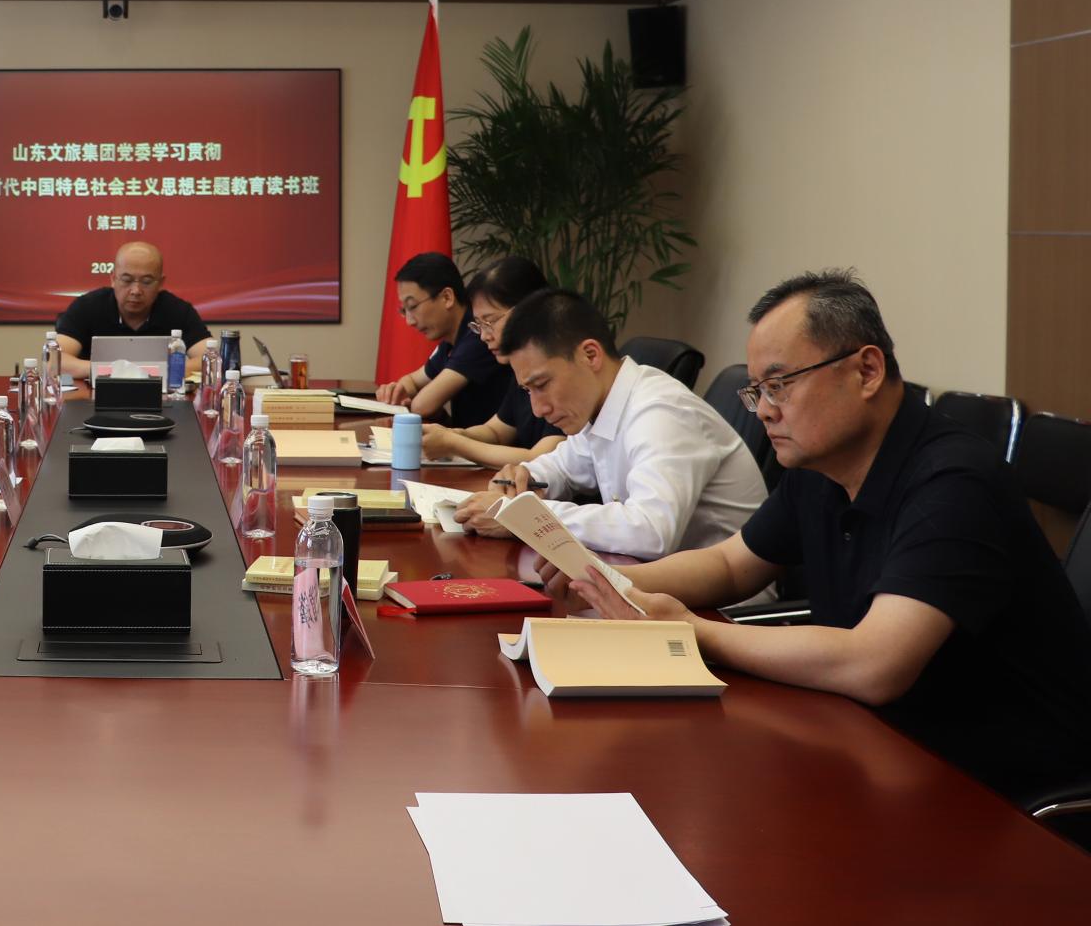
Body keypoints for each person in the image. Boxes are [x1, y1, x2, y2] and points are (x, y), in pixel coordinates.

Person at [554, 270, 1091, 809]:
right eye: (757, 391)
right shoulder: (822, 465)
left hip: (1002, 790)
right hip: (877, 742)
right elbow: (731, 565)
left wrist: (691, 632)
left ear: (866, 370)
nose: (764, 409)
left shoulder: (954, 481)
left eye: (779, 385)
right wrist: (607, 581)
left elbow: (876, 664)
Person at [455, 288, 765, 559]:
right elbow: (562, 467)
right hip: (652, 584)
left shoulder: (661, 411)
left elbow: (651, 532)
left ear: (590, 355)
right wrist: (523, 478)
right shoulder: (602, 404)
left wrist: (523, 517)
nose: (538, 409)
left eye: (542, 384)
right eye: (528, 390)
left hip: (719, 602)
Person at [415, 255, 565, 469]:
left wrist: (454, 443)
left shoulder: (561, 368)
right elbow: (495, 431)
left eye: (490, 321)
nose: (484, 336)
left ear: (529, 310)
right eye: (479, 325)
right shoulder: (521, 367)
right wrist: (453, 435)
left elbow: (541, 460)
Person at [373, 252, 510, 427]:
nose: (409, 321)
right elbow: (411, 381)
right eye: (404, 310)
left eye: (412, 306)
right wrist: (395, 392)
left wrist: (407, 399)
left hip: (490, 442)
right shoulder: (450, 342)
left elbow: (422, 406)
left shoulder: (479, 335)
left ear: (447, 297)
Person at [53, 241, 212, 380]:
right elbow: (54, 362)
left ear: (160, 283)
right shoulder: (88, 307)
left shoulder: (178, 311)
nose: (136, 290)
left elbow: (210, 359)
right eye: (127, 280)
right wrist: (114, 371)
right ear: (113, 279)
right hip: (94, 398)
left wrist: (155, 371)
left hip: (161, 399)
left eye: (146, 282)